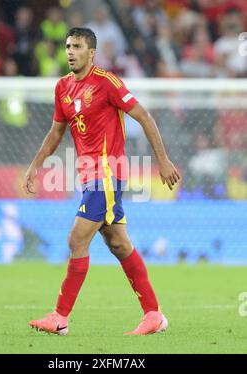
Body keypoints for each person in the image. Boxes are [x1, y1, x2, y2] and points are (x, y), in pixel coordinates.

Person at [23, 27, 180, 336]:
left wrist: (163, 160)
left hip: (107, 174)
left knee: (76, 239)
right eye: (67, 46)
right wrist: (35, 165)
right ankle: (154, 315)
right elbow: (56, 132)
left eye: (77, 46)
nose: (70, 51)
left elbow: (144, 117)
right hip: (88, 175)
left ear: (91, 52)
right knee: (119, 244)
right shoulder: (63, 88)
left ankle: (60, 317)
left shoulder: (107, 83)